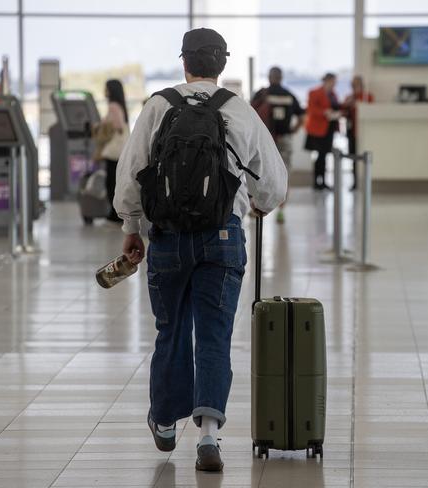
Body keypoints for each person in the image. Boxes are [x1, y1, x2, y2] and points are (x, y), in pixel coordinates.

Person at [113, 28, 287, 471]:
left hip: (167, 237)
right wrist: (261, 205)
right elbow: (273, 184)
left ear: (184, 63)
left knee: (171, 330)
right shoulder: (239, 110)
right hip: (223, 235)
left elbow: (131, 172)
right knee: (214, 333)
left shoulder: (159, 106)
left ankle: (167, 423)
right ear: (221, 64)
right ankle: (208, 435)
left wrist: (132, 227)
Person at [251, 66, 304, 223]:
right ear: (281, 78)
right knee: (284, 174)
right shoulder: (289, 95)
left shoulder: (261, 94)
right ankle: (281, 211)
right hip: (285, 139)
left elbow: (250, 114)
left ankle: (256, 207)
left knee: (257, 173)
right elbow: (302, 116)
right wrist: (293, 130)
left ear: (269, 77)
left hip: (264, 140)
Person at [99, 79, 129, 222]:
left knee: (111, 182)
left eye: (106, 88)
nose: (104, 91)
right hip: (122, 150)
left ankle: (115, 214)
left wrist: (104, 124)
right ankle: (116, 212)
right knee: (116, 182)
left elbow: (118, 126)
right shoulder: (120, 105)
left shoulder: (113, 106)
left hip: (114, 152)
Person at [305, 73, 341, 190]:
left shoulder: (333, 94)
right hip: (318, 129)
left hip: (329, 128)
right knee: (320, 156)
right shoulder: (314, 92)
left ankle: (323, 181)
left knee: (325, 155)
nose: (334, 84)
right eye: (333, 82)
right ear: (327, 80)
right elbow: (311, 109)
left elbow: (336, 106)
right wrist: (325, 112)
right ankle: (317, 182)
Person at [342, 75, 374, 190]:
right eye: (353, 85)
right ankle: (355, 182)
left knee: (365, 158)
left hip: (364, 133)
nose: (355, 87)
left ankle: (366, 182)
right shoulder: (349, 97)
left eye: (357, 84)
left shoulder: (367, 97)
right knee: (354, 158)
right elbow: (342, 110)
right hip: (351, 132)